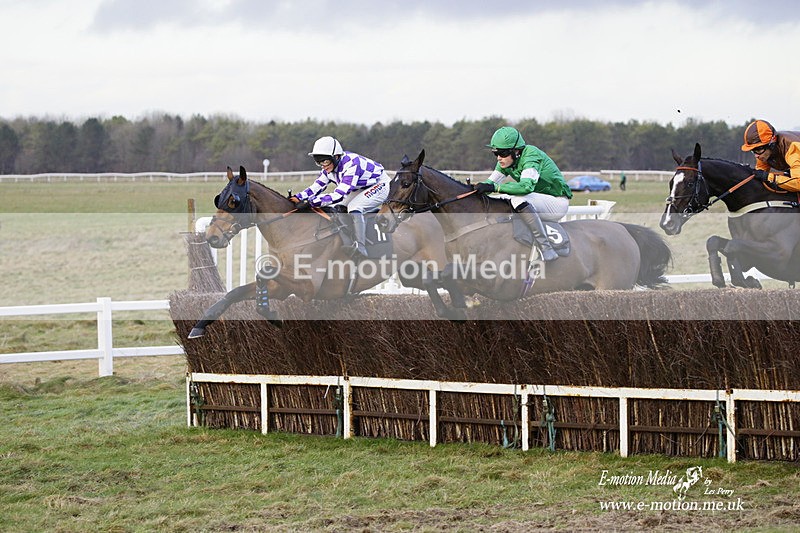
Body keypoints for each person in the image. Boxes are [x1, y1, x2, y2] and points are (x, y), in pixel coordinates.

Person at [473, 126, 572, 262]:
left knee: (517, 200)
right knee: (495, 199)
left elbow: (526, 187)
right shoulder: (505, 162)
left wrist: (494, 187)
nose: (498, 158)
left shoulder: (531, 155)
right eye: (495, 154)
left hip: (556, 203)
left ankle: (546, 247)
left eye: (502, 153)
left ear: (516, 151)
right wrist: (474, 190)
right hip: (536, 201)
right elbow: (490, 184)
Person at [291, 136, 391, 258]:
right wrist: (297, 198)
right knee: (338, 208)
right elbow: (316, 187)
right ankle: (348, 239)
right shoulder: (328, 168)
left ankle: (361, 247)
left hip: (380, 184)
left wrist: (312, 202)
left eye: (325, 161)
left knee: (354, 207)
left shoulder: (351, 164)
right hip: (360, 187)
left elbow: (339, 195)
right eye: (319, 162)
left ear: (336, 157)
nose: (323, 165)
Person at [741, 119, 800, 192]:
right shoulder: (764, 153)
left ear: (773, 141)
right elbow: (759, 175)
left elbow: (798, 184)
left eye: (759, 149)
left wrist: (771, 177)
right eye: (753, 151)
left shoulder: (793, 148)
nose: (756, 156)